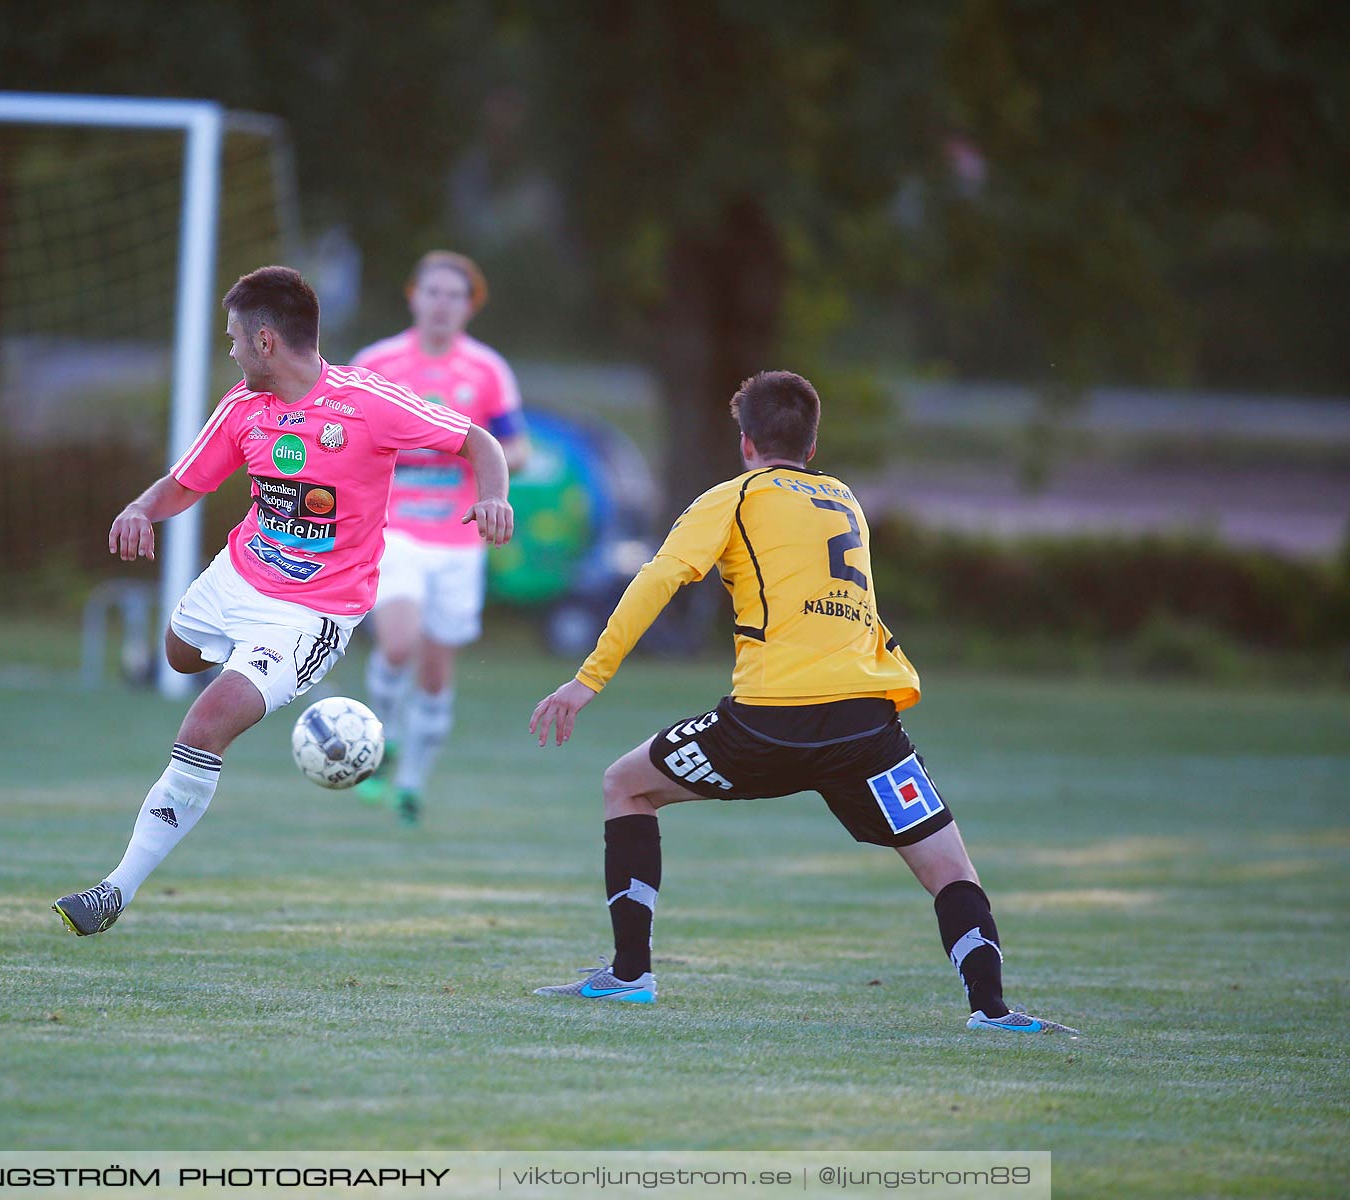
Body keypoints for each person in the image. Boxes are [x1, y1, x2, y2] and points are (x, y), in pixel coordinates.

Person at [527, 370, 1074, 1034]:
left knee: (625, 785)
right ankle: (992, 1009)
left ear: (745, 441)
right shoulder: (844, 500)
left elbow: (658, 577)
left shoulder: (734, 495)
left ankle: (630, 973)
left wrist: (589, 678)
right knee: (951, 869)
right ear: (812, 447)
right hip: (866, 729)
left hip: (766, 726)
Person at [53, 266, 514, 936]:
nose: (231, 350)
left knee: (203, 728)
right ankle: (246, 670)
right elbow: (188, 482)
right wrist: (140, 509)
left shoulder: (368, 403)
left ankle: (113, 891)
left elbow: (479, 439)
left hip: (312, 613)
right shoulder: (243, 407)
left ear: (266, 341)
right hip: (236, 577)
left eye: (235, 339)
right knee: (179, 658)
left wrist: (492, 495)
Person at [348, 251, 530, 825]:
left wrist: (474, 458)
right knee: (397, 643)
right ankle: (378, 741)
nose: (442, 303)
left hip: (458, 538)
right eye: (433, 291)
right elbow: (345, 434)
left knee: (435, 668)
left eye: (455, 294)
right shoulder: (377, 362)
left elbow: (516, 447)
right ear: (413, 296)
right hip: (392, 529)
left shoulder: (486, 371)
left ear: (469, 306)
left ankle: (411, 783)